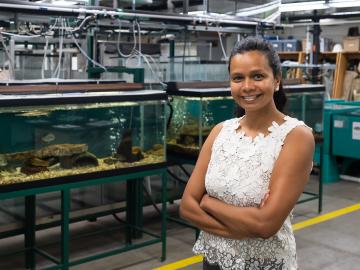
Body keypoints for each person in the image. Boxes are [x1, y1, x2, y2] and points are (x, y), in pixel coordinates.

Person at [179, 37, 315, 270]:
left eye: (258, 76)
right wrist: (242, 227)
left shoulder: (295, 137)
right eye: (238, 78)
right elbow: (186, 206)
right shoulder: (220, 132)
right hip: (213, 261)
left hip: (264, 264)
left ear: (277, 81)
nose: (247, 86)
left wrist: (209, 202)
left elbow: (265, 225)